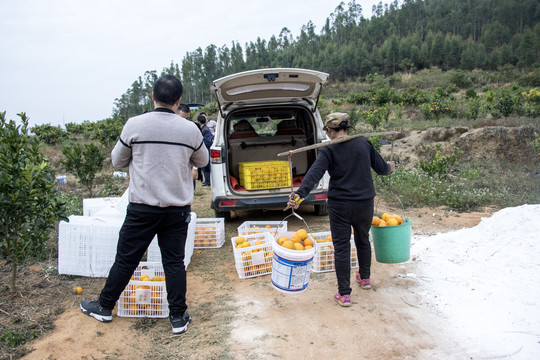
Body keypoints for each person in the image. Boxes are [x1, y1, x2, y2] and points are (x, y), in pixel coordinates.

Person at [80, 75, 209, 334]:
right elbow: (203, 161)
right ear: (179, 100)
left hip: (141, 209)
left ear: (153, 97)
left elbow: (118, 161)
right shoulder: (190, 130)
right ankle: (178, 317)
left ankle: (105, 307)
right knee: (174, 262)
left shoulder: (134, 125)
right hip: (176, 210)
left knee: (126, 259)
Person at [287, 112, 395, 307]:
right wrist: (390, 167)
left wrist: (300, 194)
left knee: (342, 247)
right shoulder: (363, 143)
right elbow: (381, 168)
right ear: (347, 127)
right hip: (364, 203)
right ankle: (365, 278)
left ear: (329, 129)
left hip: (340, 206)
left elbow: (314, 174)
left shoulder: (329, 150)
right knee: (362, 238)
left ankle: (345, 294)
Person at [177, 104, 199, 188]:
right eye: (183, 118)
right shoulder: (168, 130)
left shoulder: (193, 129)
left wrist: (195, 168)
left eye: (187, 118)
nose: (186, 121)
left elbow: (198, 152)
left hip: (188, 169)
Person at [197, 114, 212, 186]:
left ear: (199, 121)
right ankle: (206, 180)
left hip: (206, 150)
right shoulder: (204, 128)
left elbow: (207, 142)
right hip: (205, 150)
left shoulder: (205, 130)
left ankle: (208, 182)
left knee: (206, 167)